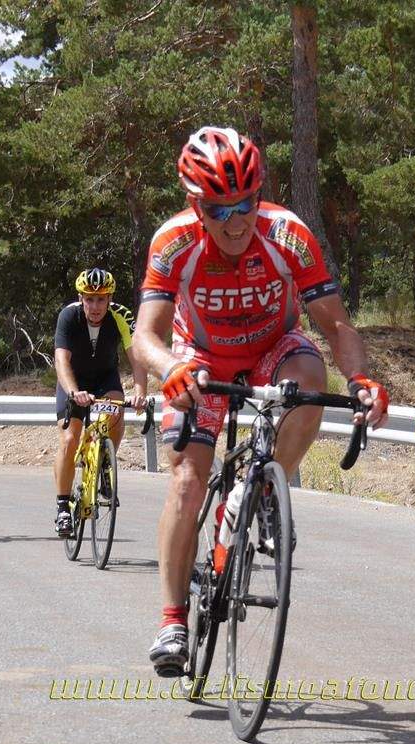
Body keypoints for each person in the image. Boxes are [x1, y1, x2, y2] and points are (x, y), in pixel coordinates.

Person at [132, 126, 390, 676]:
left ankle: (269, 485)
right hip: (197, 356)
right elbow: (144, 337)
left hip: (272, 347)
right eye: (219, 208)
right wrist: (169, 368)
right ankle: (173, 617)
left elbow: (336, 323)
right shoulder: (173, 242)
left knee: (310, 372)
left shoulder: (288, 233)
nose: (235, 220)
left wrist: (362, 378)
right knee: (186, 482)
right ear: (194, 204)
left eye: (245, 203)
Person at [52, 267, 149, 537]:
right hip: (74, 380)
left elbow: (136, 356)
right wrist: (73, 392)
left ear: (110, 299)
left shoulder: (121, 315)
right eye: (90, 299)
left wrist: (140, 390)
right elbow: (61, 361)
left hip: (105, 376)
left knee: (117, 410)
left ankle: (105, 461)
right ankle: (62, 507)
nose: (95, 306)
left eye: (101, 299)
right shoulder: (68, 316)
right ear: (81, 298)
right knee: (70, 439)